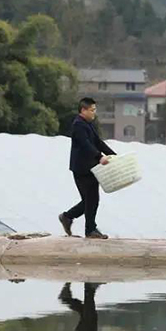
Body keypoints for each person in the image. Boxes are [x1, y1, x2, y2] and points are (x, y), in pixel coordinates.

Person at [59, 98, 116, 239]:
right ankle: (90, 230)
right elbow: (86, 145)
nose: (94, 113)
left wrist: (113, 155)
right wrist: (99, 157)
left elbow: (97, 142)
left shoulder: (88, 124)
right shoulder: (78, 125)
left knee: (90, 200)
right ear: (83, 110)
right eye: (92, 110)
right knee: (91, 200)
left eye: (94, 110)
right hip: (81, 169)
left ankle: (68, 217)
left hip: (91, 167)